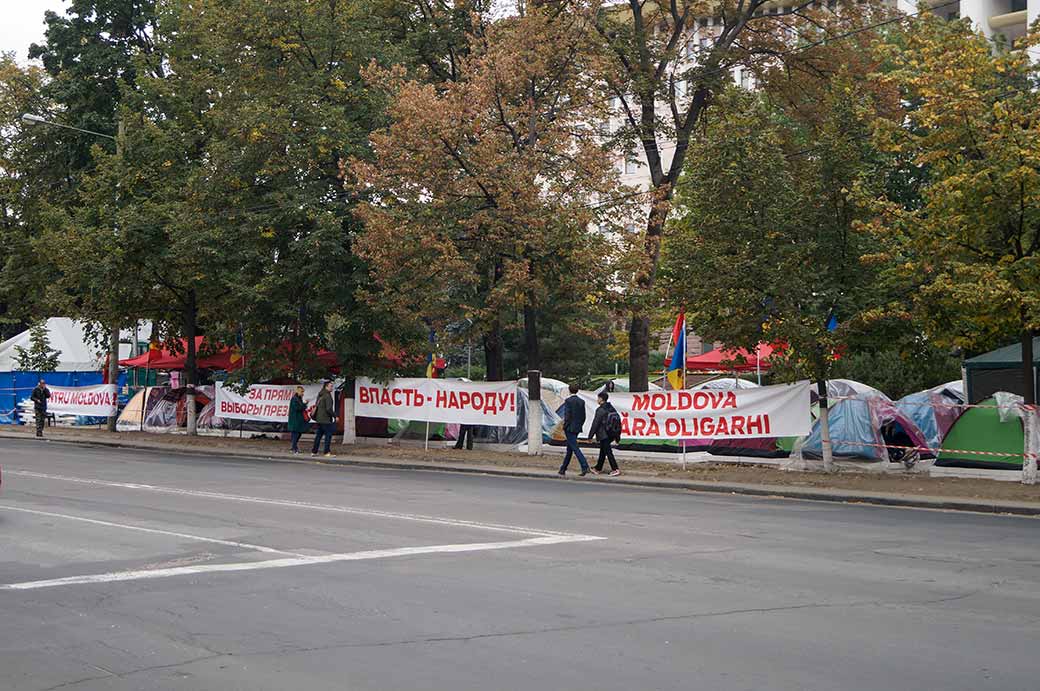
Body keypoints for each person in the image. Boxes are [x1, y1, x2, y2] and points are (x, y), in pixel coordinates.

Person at [558, 383, 590, 477]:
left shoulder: (568, 401)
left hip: (570, 428)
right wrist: (579, 425)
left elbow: (567, 415)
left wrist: (565, 426)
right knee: (570, 448)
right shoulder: (581, 401)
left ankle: (585, 466)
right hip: (577, 427)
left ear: (569, 390)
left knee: (575, 448)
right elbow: (583, 416)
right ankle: (563, 468)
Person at [588, 391, 621, 476]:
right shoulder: (611, 408)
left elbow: (595, 423)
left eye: (598, 398)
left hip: (603, 434)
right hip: (610, 433)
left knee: (608, 452)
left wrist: (590, 436)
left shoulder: (600, 410)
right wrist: (617, 437)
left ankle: (615, 469)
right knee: (603, 451)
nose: (597, 400)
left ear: (601, 399)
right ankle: (598, 468)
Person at [310, 381, 337, 457]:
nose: (332, 387)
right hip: (326, 419)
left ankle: (314, 451)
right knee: (328, 436)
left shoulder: (320, 395)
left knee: (318, 436)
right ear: (326, 387)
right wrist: (335, 416)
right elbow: (328, 409)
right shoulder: (327, 396)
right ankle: (327, 452)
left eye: (332, 386)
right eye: (330, 386)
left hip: (319, 419)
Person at [287, 386, 308, 454]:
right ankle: (294, 448)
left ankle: (293, 447)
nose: (303, 393)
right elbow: (298, 408)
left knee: (297, 434)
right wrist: (304, 405)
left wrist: (304, 404)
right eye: (302, 392)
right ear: (298, 391)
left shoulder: (298, 398)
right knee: (295, 434)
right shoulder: (295, 399)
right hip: (295, 420)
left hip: (297, 420)